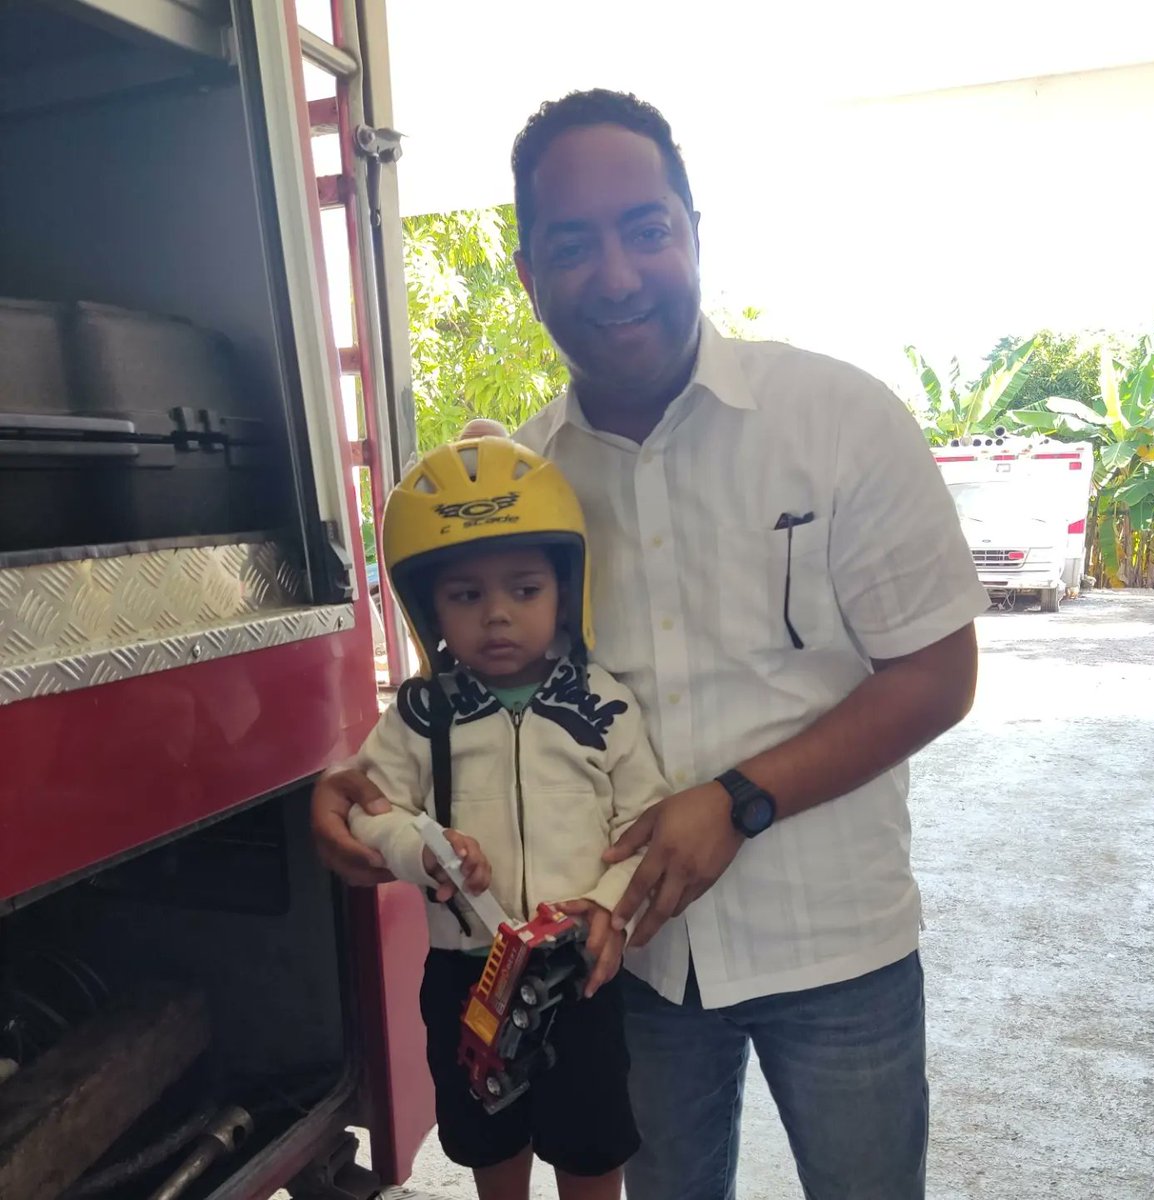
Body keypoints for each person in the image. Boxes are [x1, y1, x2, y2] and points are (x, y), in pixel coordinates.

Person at [313, 89, 989, 1200]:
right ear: (528, 275)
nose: (616, 274)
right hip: (633, 968)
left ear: (691, 233)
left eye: (645, 229)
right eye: (572, 245)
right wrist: (360, 788)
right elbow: (478, 691)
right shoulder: (521, 493)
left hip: (837, 946)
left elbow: (936, 672)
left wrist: (738, 798)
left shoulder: (836, 420)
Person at [347, 434, 667, 1200]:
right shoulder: (422, 714)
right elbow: (369, 808)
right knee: (489, 1134)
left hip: (580, 972)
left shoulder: (605, 702)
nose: (496, 616)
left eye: (523, 590)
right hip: (467, 974)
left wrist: (605, 907)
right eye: (467, 596)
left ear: (565, 588)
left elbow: (649, 821)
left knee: (590, 1145)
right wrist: (413, 847)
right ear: (430, 606)